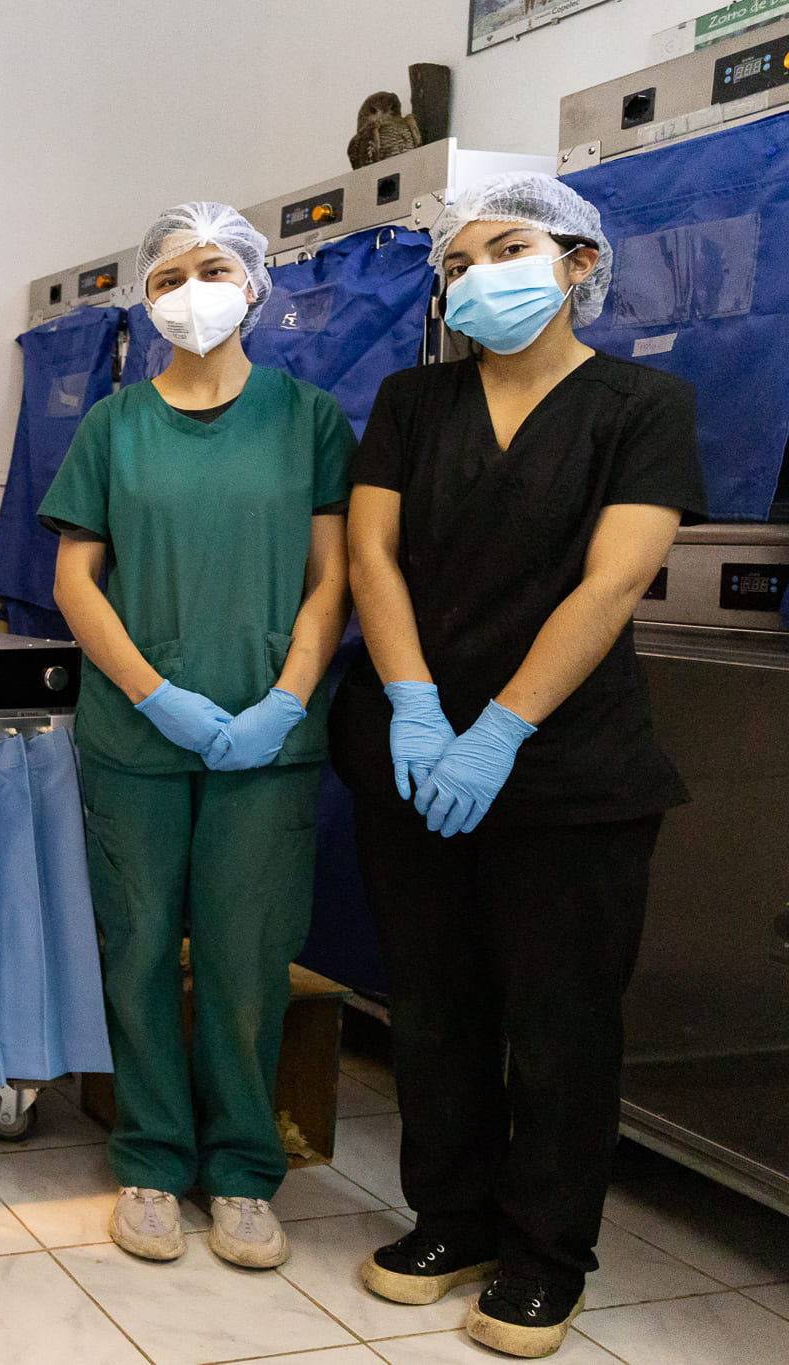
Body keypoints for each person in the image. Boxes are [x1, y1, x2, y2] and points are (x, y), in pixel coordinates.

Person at [332, 173, 703, 1359]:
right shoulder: (410, 398)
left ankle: (545, 1255)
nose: (475, 273)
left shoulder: (641, 405)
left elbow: (611, 581)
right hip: (410, 750)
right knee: (434, 1009)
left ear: (578, 263)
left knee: (558, 1023)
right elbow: (372, 558)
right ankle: (451, 1220)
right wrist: (410, 707)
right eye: (458, 260)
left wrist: (498, 728)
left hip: (568, 772)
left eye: (507, 247)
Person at [40, 202, 354, 1272]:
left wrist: (286, 697)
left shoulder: (306, 419)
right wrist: (151, 692)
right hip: (134, 737)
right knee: (133, 951)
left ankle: (240, 1173)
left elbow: (331, 580)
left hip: (267, 739)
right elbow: (73, 579)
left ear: (255, 288)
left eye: (211, 269)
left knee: (244, 960)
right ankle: (147, 1158)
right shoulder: (113, 426)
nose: (188, 292)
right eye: (167, 275)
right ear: (143, 296)